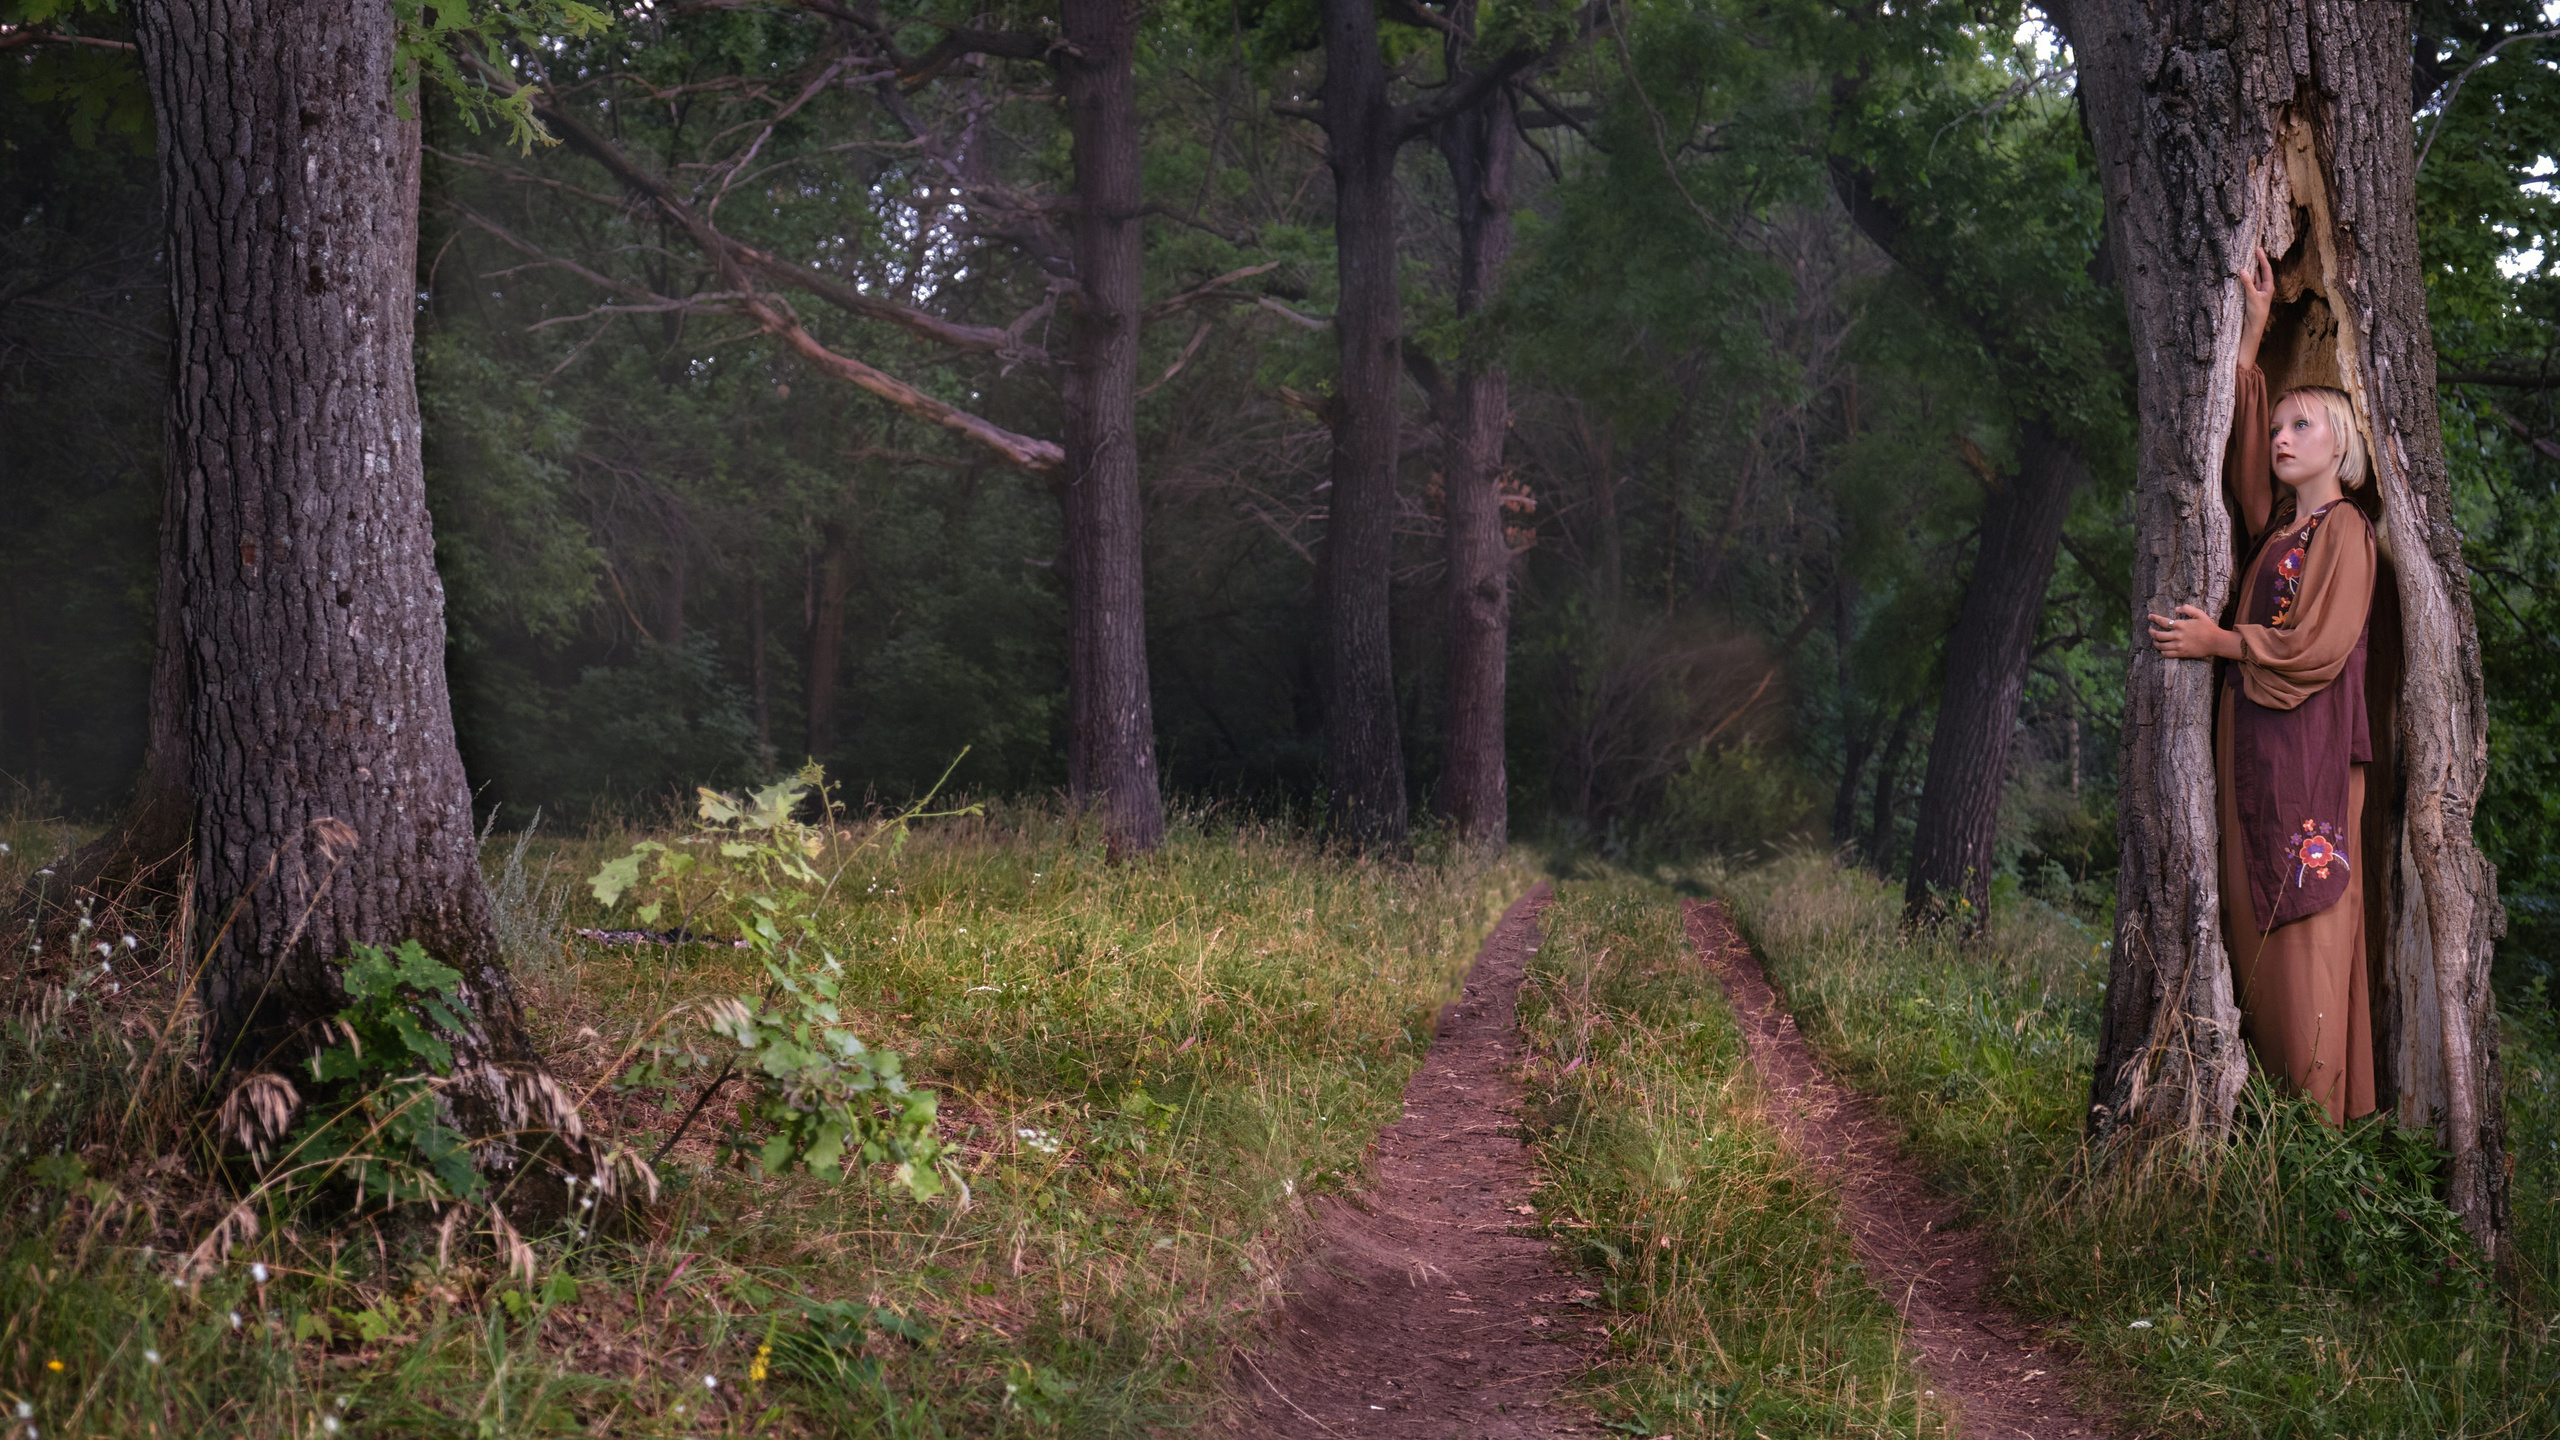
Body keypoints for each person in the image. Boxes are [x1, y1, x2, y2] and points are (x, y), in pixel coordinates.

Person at [2146, 245, 2378, 1125]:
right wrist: (2249, 339)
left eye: (2301, 427)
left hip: (2309, 759)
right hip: (2257, 751)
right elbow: (2243, 483)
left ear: (2340, 444)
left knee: (2309, 928)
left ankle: (2318, 1136)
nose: (2281, 439)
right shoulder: (2284, 528)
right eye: (2276, 427)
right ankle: (2273, 1123)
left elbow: (2315, 649)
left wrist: (2219, 642)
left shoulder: (2345, 530)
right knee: (2254, 928)